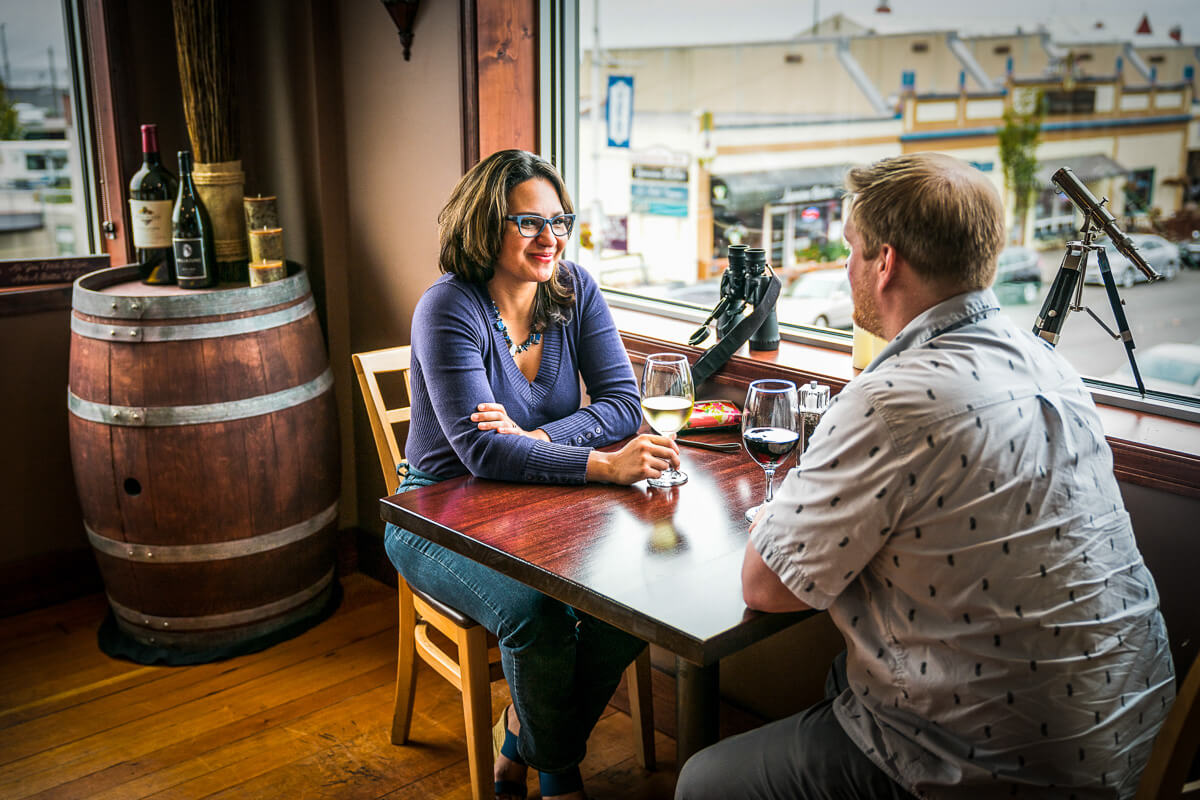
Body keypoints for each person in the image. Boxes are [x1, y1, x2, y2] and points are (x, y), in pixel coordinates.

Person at [675, 153, 1175, 800]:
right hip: (1133, 742)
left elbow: (765, 587)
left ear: (886, 262)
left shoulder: (893, 399)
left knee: (701, 783)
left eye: (853, 250)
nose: (847, 267)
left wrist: (775, 518)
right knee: (842, 678)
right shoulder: (1051, 367)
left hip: (1002, 771)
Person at [384, 149, 680, 800]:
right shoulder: (448, 309)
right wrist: (598, 461)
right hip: (438, 517)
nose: (551, 239)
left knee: (641, 594)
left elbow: (624, 406)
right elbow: (482, 456)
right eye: (529, 224)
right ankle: (558, 778)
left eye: (560, 220)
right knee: (537, 614)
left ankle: (521, 731)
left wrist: (540, 437)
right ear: (485, 226)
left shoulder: (575, 289)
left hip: (539, 507)